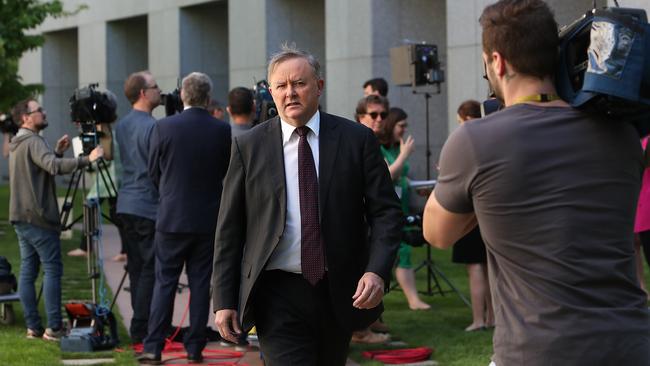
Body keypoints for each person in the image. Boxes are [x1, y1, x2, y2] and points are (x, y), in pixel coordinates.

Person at [422, 1, 649, 365]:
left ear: (497, 61)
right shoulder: (623, 135)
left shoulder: (476, 141)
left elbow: (437, 234)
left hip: (537, 351)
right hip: (630, 345)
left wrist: (484, 192)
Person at [212, 44, 402, 366]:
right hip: (276, 293)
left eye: (299, 83)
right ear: (271, 92)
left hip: (340, 290)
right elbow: (230, 229)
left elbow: (386, 212)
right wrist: (224, 299)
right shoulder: (249, 146)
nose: (291, 93)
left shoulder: (356, 140)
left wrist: (376, 270)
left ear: (319, 86)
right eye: (282, 86)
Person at [139, 72, 231, 364]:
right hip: (206, 218)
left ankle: (153, 346)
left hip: (172, 217)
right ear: (207, 97)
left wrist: (168, 193)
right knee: (201, 283)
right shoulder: (221, 129)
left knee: (164, 282)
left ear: (182, 95)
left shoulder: (164, 127)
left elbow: (153, 171)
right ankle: (195, 348)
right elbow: (225, 173)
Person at [9, 98, 103, 340]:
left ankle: (34, 327)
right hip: (38, 218)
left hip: (21, 217)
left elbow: (41, 166)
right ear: (26, 118)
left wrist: (58, 152)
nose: (43, 112)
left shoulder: (18, 142)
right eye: (38, 110)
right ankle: (53, 328)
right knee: (51, 269)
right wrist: (87, 159)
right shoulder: (33, 140)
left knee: (28, 271)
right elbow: (52, 167)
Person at [114, 70, 161, 344]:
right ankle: (142, 328)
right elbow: (157, 169)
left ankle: (141, 324)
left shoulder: (122, 125)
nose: (160, 91)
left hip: (126, 203)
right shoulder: (152, 126)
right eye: (155, 87)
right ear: (143, 93)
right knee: (149, 270)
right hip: (147, 205)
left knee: (136, 266)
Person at [378, 107, 430, 311]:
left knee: (404, 250)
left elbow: (401, 176)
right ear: (391, 124)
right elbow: (387, 176)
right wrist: (404, 155)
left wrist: (418, 188)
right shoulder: (379, 148)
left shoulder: (394, 148)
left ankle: (413, 299)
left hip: (402, 205)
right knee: (399, 250)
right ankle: (411, 300)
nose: (404, 130)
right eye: (401, 125)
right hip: (386, 208)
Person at [450, 100, 493, 332]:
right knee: (489, 266)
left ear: (465, 119)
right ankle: (492, 317)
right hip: (490, 211)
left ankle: (478, 319)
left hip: (469, 210)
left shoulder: (467, 140)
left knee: (475, 267)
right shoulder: (492, 136)